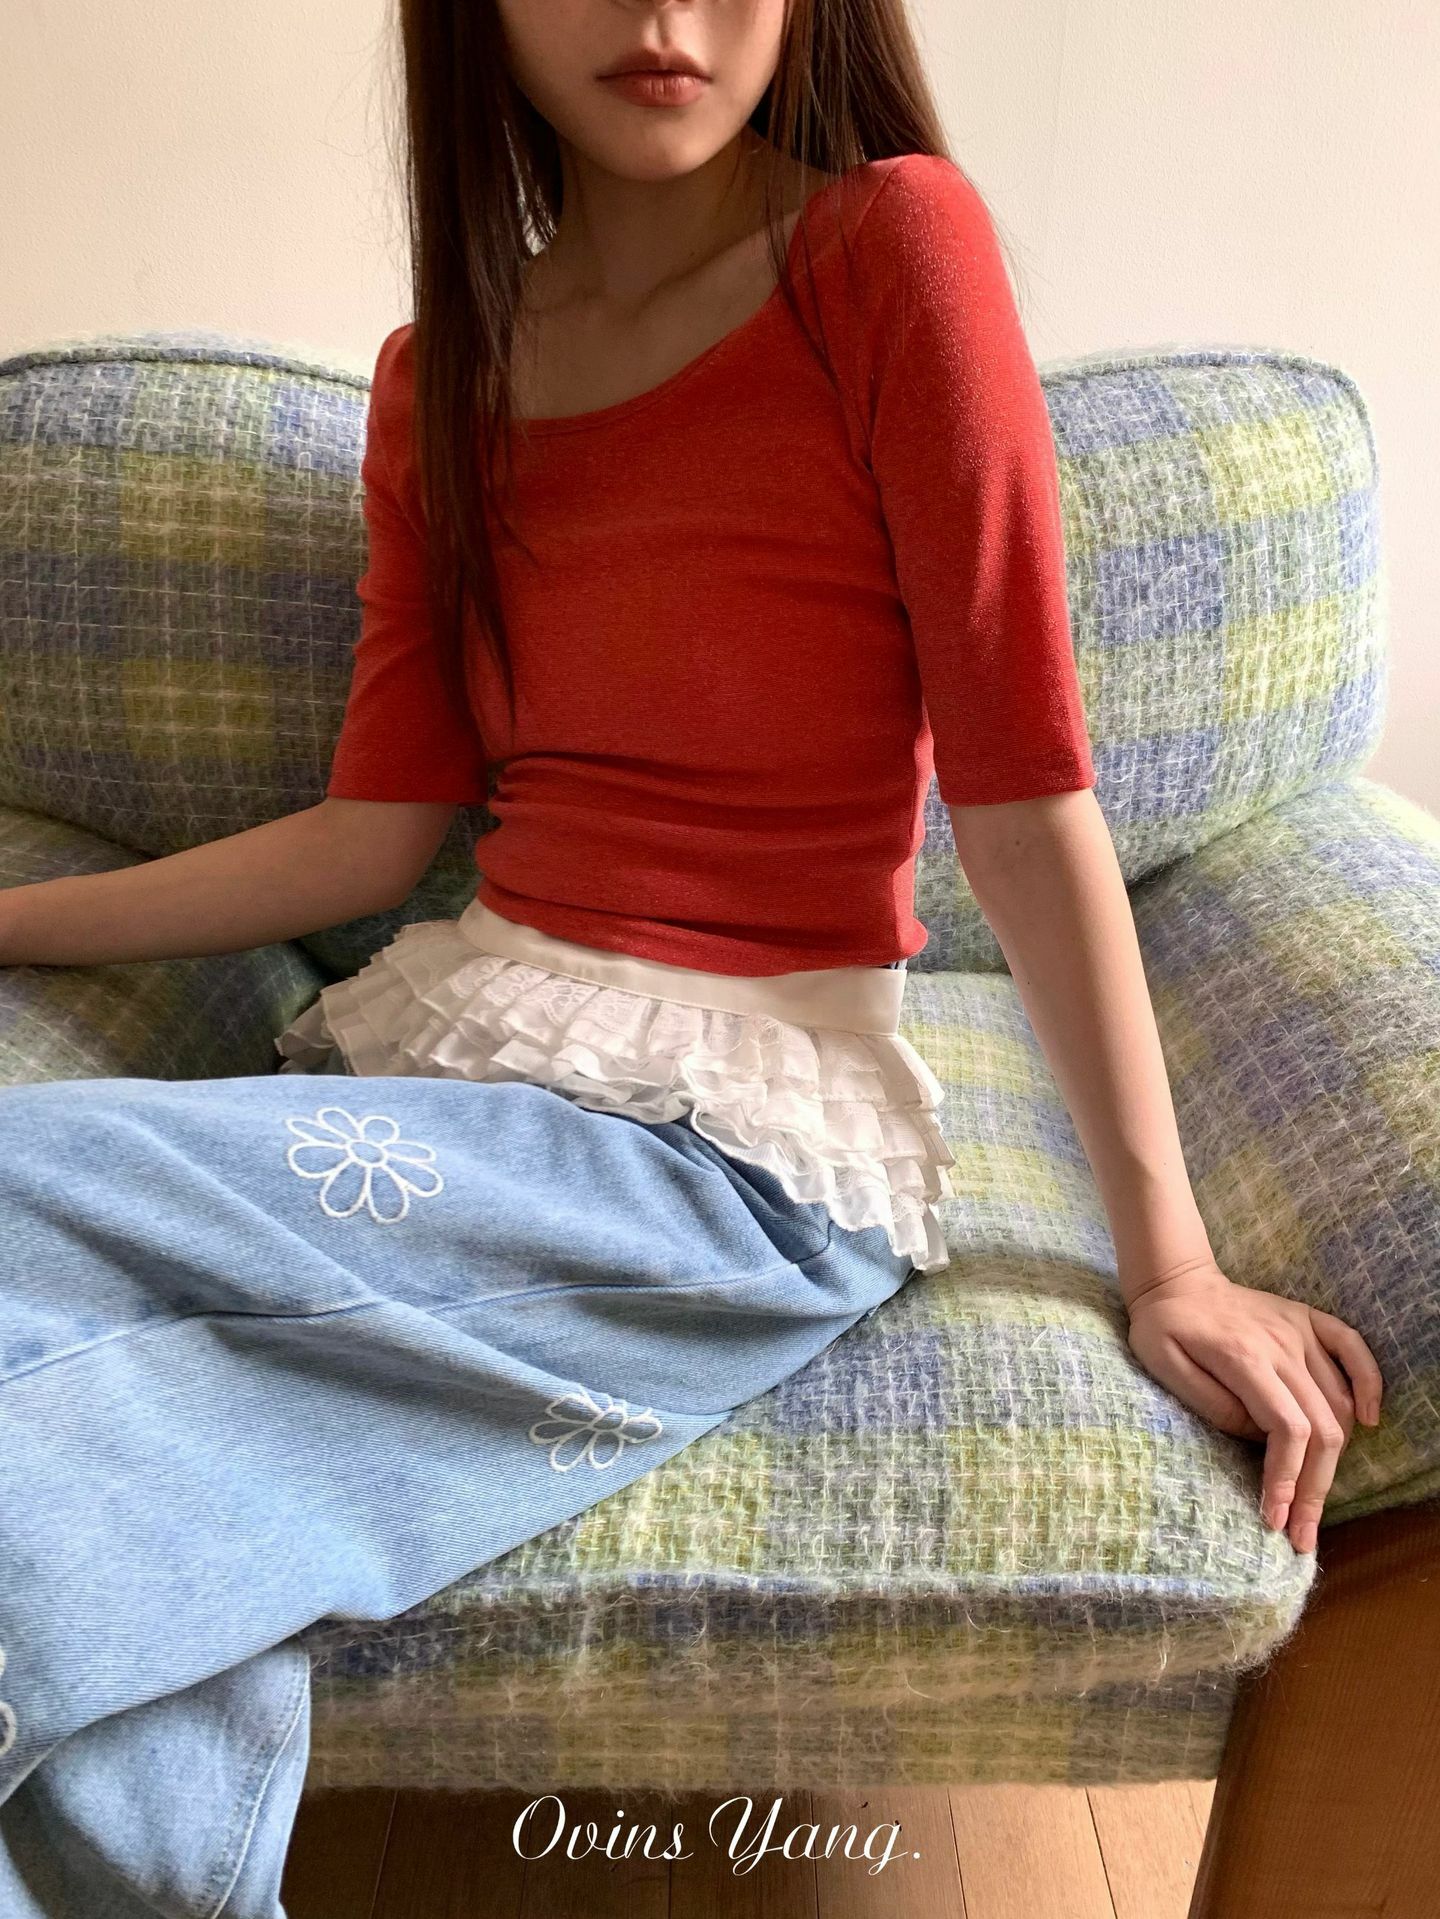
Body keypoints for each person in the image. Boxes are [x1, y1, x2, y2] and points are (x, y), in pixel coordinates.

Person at [0, 2, 1385, 1913]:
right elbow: (369, 838)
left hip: (725, 1147)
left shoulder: (888, 250)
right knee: (135, 1459)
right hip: (451, 1067)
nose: (659, 17)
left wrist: (1173, 1264)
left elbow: (1022, 799)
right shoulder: (441, 382)